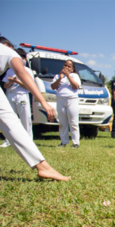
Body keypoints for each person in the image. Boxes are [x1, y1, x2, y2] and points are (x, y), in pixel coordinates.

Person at [0, 36, 70, 181]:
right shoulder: (8, 52)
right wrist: (43, 101)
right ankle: (43, 168)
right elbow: (22, 72)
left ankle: (43, 167)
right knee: (10, 121)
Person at [0, 48, 33, 148]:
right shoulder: (10, 70)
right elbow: (5, 85)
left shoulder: (27, 70)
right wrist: (11, 82)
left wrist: (17, 81)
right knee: (10, 119)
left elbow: (29, 86)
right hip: (11, 95)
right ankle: (8, 140)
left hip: (22, 95)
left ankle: (28, 141)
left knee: (25, 118)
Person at [51, 60, 81, 148]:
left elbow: (76, 86)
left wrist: (68, 76)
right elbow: (53, 87)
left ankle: (76, 142)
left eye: (69, 66)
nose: (66, 68)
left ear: (72, 69)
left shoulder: (74, 76)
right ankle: (63, 141)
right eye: (65, 65)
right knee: (62, 122)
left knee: (73, 121)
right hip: (60, 99)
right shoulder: (58, 76)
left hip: (72, 99)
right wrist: (60, 78)